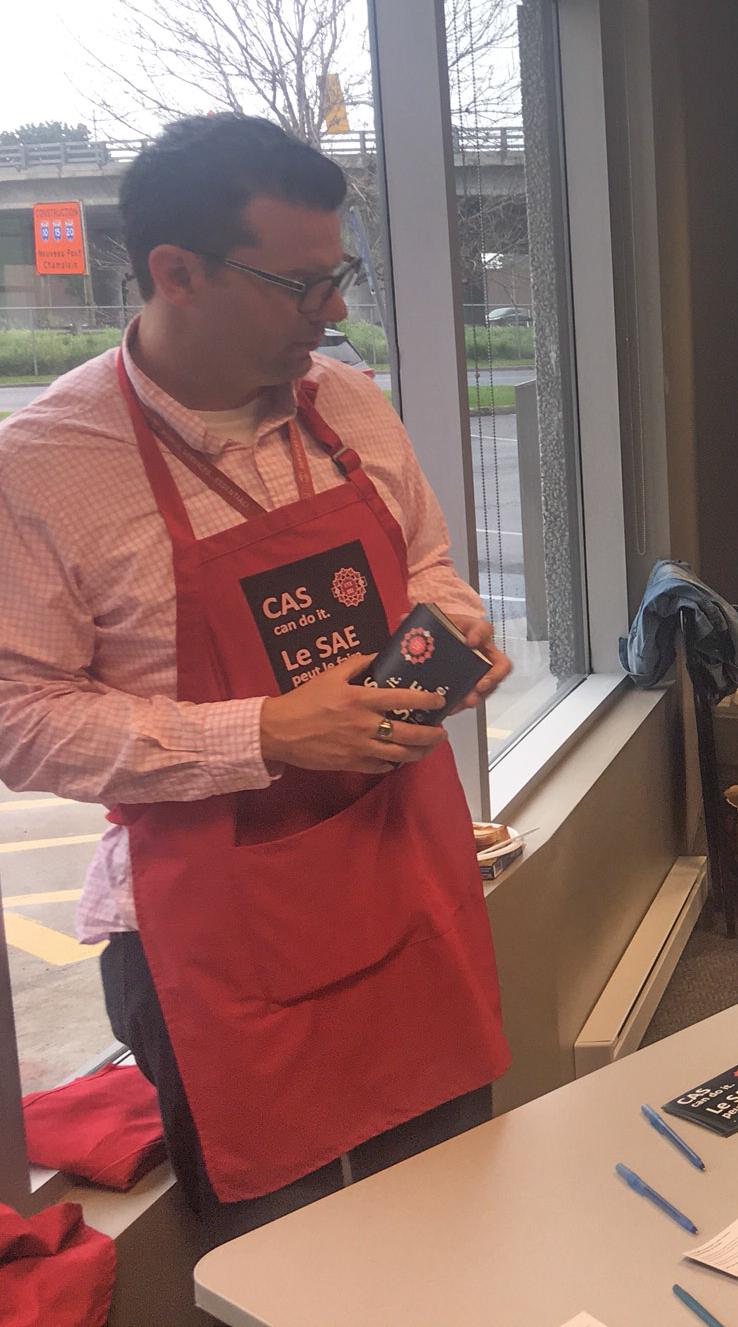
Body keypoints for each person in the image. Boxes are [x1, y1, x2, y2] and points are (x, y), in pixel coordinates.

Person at [0, 114, 512, 1244]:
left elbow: (428, 564)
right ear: (176, 272)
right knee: (283, 1269)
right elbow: (19, 720)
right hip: (219, 940)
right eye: (299, 285)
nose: (333, 312)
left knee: (453, 1221)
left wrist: (450, 635)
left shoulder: (349, 403)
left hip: (404, 871)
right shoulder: (44, 468)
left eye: (340, 277)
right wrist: (267, 734)